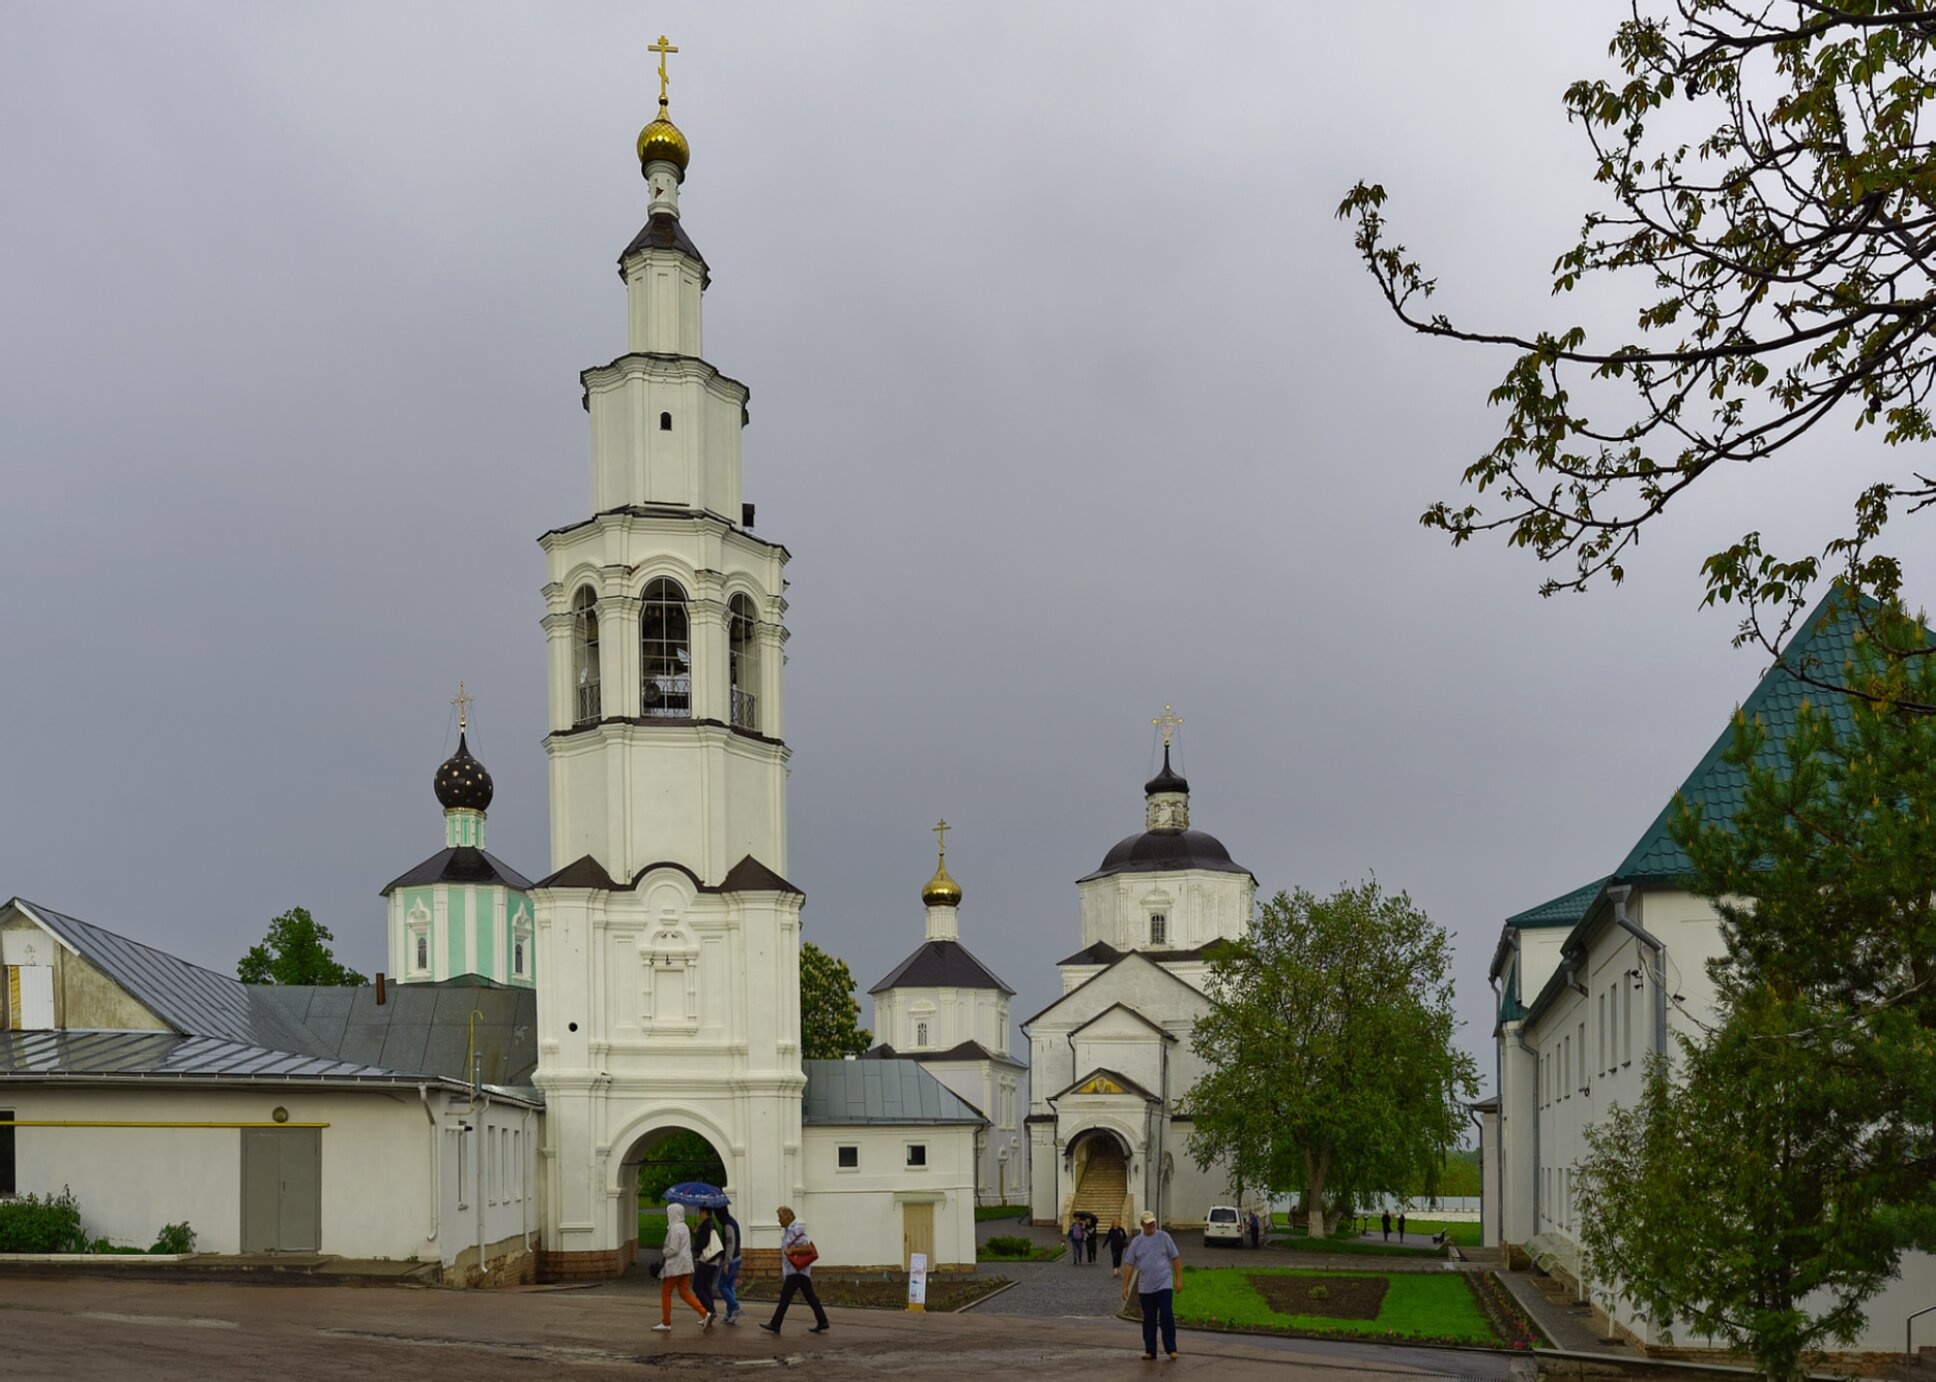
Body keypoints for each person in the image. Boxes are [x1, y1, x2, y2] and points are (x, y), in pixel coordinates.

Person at [1120, 1210, 1182, 1361]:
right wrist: (1125, 1286)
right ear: (1142, 1225)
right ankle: (1150, 1350)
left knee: (1166, 1314)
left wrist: (1179, 1279)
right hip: (1146, 1286)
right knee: (1149, 1318)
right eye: (1148, 1224)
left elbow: (1175, 1257)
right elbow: (1129, 1264)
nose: (1151, 1226)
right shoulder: (1137, 1242)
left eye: (1153, 1223)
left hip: (1164, 1283)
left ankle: (1171, 1348)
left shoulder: (1164, 1237)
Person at [759, 1206, 830, 1334]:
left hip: (797, 1270)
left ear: (787, 1216)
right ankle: (823, 1321)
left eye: (780, 1217)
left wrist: (792, 1250)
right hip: (798, 1271)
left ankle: (775, 1323)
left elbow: (808, 1248)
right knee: (810, 1297)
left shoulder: (796, 1229)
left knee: (785, 1297)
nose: (779, 1220)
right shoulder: (788, 1230)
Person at [653, 1203, 711, 1333]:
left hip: (675, 1265)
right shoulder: (684, 1227)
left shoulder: (674, 1229)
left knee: (666, 1292)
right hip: (685, 1265)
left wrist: (664, 1252)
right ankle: (704, 1313)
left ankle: (666, 1322)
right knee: (684, 1292)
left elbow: (673, 1249)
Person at [691, 1205, 722, 1321]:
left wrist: (696, 1237)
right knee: (707, 1287)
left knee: (697, 1286)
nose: (699, 1214)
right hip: (715, 1260)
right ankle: (709, 1313)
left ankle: (710, 1311)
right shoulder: (713, 1224)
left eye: (700, 1211)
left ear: (705, 1212)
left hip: (706, 1260)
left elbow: (702, 1243)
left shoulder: (705, 1225)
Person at [714, 1203, 743, 1324]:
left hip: (731, 1260)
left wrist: (726, 1261)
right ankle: (730, 1311)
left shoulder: (728, 1225)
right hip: (736, 1258)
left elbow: (730, 1244)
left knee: (721, 1285)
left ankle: (735, 1307)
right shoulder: (733, 1222)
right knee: (729, 1285)